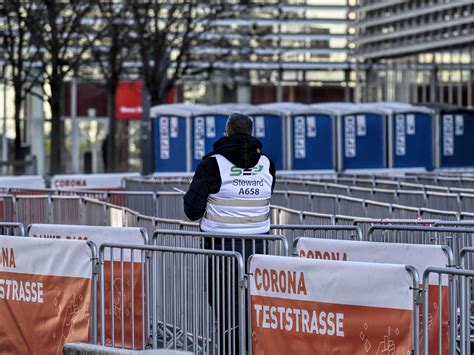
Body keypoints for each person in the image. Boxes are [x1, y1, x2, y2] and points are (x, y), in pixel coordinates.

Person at [183, 112, 276, 354]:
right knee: (252, 305)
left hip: (221, 247)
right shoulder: (267, 163)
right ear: (251, 134)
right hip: (259, 248)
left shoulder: (212, 163)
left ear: (227, 133)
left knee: (225, 307)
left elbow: (192, 211)